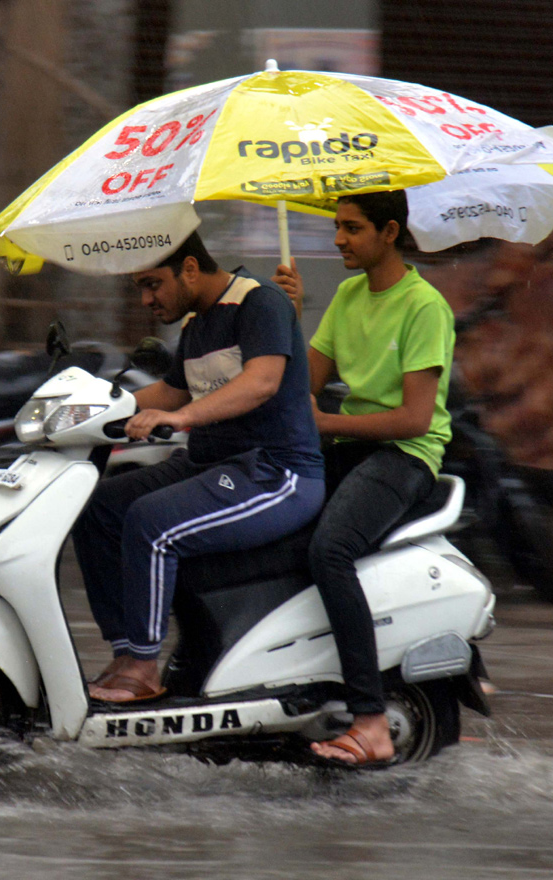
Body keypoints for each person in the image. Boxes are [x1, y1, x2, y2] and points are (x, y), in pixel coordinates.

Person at [72, 232, 326, 703]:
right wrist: (82, 412)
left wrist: (182, 418)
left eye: (153, 285)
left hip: (275, 472)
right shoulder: (197, 325)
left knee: (152, 522)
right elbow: (170, 392)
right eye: (139, 289)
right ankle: (126, 651)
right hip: (213, 463)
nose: (147, 299)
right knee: (99, 507)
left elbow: (262, 382)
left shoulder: (260, 303)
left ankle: (145, 669)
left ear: (190, 268)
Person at [305, 190, 455, 766]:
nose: (338, 238)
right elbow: (305, 384)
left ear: (389, 232)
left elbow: (417, 417)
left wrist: (327, 421)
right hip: (349, 447)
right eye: (337, 227)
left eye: (352, 228)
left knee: (330, 551)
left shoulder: (424, 306)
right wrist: (287, 311)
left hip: (407, 456)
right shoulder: (346, 294)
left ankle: (369, 720)